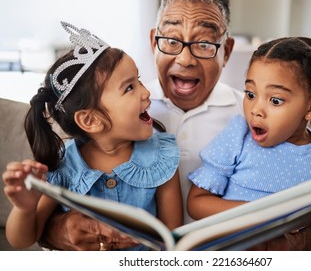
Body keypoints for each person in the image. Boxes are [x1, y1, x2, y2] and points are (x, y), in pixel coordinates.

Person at [39, 0, 311, 251]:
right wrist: (56, 230)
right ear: (153, 41)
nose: (186, 59)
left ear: (226, 51)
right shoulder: (110, 110)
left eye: (205, 43)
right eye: (170, 40)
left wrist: (296, 240)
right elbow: (54, 191)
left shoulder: (257, 116)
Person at [2, 21, 182, 251]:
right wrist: (25, 208)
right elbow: (21, 240)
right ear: (91, 120)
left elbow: (172, 238)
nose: (146, 92)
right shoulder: (64, 166)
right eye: (129, 88)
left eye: (138, 80)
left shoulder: (161, 157)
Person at [187, 36, 311, 250]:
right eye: (251, 94)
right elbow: (196, 202)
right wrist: (260, 215)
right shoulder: (238, 137)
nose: (256, 110)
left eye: (275, 100)